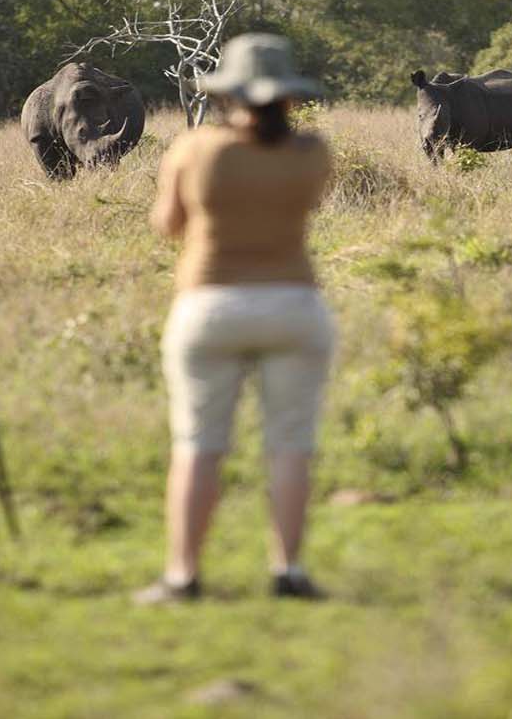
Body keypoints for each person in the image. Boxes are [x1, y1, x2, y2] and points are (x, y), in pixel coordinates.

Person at [136, 33, 336, 604]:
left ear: (226, 93)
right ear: (290, 97)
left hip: (210, 304)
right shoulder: (313, 152)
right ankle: (289, 571)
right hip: (296, 304)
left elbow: (167, 224)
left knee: (198, 444)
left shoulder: (195, 149)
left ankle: (182, 575)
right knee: (291, 444)